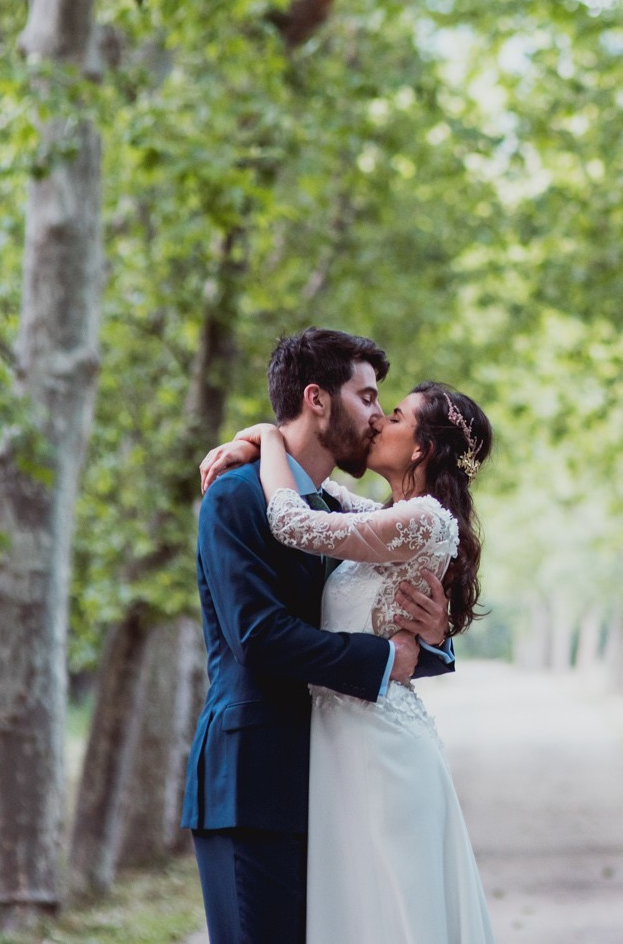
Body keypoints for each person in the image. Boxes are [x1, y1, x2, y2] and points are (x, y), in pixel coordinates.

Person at [200, 376, 497, 944]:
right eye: (371, 400)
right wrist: (263, 443)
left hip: (378, 749)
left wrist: (268, 438)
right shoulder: (390, 516)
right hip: (340, 746)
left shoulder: (421, 520)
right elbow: (325, 493)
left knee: (389, 915)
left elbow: (294, 521)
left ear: (421, 449)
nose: (379, 418)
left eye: (396, 415)